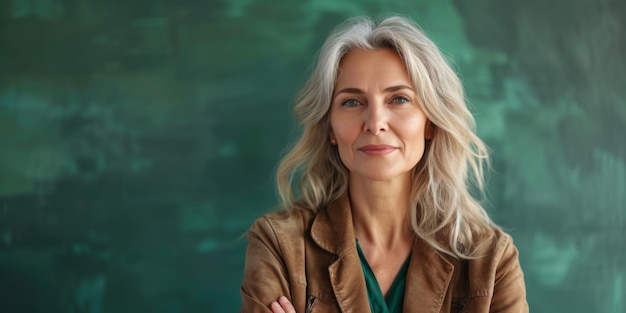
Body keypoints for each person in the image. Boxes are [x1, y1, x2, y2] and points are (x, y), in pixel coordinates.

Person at [240, 15, 528, 313]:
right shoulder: (278, 244)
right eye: (352, 102)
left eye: (399, 99)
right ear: (330, 129)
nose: (375, 123)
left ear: (430, 123)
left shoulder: (492, 260)